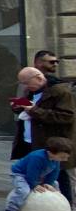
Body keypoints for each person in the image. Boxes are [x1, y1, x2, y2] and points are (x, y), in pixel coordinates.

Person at [11, 63, 76, 203]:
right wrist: (18, 107)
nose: (26, 87)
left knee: (60, 176)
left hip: (54, 142)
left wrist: (33, 110)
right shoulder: (32, 91)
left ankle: (65, 207)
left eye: (27, 83)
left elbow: (66, 116)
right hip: (32, 140)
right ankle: (31, 204)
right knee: (34, 173)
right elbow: (28, 107)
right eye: (23, 84)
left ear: (39, 78)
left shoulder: (61, 92)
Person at [3, 136, 72, 211]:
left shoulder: (55, 159)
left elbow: (54, 173)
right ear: (50, 153)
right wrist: (35, 185)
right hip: (21, 175)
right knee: (24, 190)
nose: (65, 160)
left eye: (66, 157)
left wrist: (48, 184)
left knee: (55, 185)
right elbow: (31, 173)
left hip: (38, 175)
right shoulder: (37, 157)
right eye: (62, 157)